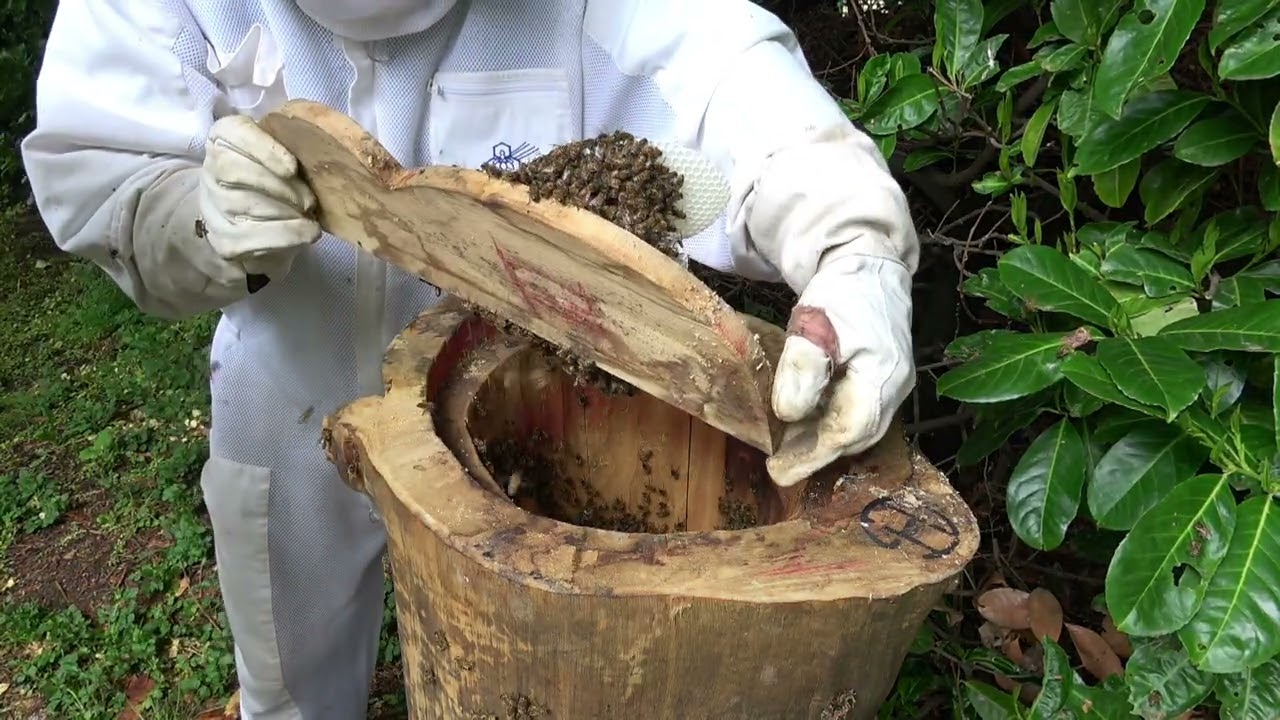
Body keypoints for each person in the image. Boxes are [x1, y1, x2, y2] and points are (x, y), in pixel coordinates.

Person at [22, 1, 920, 717]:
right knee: (291, 674)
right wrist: (191, 213)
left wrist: (853, 240)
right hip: (284, 386)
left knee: (518, 665)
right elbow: (101, 162)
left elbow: (730, 74)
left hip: (518, 408)